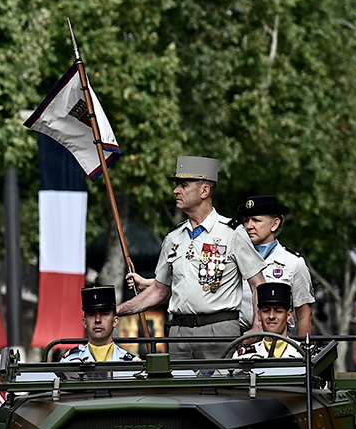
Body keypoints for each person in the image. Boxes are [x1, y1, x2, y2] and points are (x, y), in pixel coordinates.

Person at [118, 155, 267, 359]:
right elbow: (158, 291)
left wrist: (258, 326)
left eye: (184, 185)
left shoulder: (232, 232)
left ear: (204, 191)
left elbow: (258, 285)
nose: (176, 191)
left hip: (218, 330)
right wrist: (118, 310)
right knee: (181, 390)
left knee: (219, 390)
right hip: (178, 332)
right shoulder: (173, 237)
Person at [235, 194, 314, 335]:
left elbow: (304, 316)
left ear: (275, 224)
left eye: (256, 220)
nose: (249, 226)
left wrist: (303, 352)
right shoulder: (233, 258)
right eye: (246, 221)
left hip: (277, 341)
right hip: (238, 338)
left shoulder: (293, 263)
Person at [61, 286, 139, 365]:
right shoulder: (70, 360)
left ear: (115, 321)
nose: (97, 320)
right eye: (91, 315)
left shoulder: (130, 363)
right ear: (85, 323)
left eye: (104, 314)